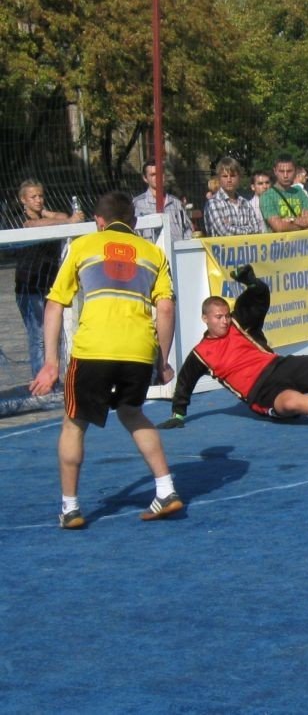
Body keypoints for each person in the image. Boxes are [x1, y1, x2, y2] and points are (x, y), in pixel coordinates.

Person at [29, 191, 182, 529]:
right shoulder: (153, 252)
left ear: (99, 222)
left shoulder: (83, 246)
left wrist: (51, 361)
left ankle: (70, 508)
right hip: (138, 350)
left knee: (74, 423)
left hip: (94, 349)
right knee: (132, 413)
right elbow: (167, 308)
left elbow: (55, 304)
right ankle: (166, 488)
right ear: (135, 222)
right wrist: (163, 359)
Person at [159, 265, 308, 428]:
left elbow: (261, 297)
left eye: (225, 315)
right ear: (205, 319)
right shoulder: (201, 354)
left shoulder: (240, 323)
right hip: (261, 392)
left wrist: (252, 282)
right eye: (218, 317)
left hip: (280, 366)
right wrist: (178, 414)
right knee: (292, 403)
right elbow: (186, 381)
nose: (224, 320)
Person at [13, 179, 85, 378]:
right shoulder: (19, 219)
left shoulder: (49, 216)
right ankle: (41, 378)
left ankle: (56, 374)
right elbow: (33, 225)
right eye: (33, 197)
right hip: (29, 285)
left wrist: (47, 212)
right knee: (38, 335)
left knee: (56, 334)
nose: (38, 200)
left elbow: (61, 217)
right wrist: (68, 221)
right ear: (23, 200)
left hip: (51, 284)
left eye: (41, 196)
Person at [133, 159, 193, 243]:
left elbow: (187, 229)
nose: (158, 177)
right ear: (145, 178)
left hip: (176, 252)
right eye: (153, 174)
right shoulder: (138, 204)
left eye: (160, 173)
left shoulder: (176, 203)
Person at [203, 158, 262, 237]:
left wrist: (232, 227)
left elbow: (257, 230)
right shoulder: (213, 203)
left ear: (239, 178)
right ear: (219, 179)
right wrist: (248, 229)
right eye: (225, 176)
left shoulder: (246, 204)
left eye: (233, 176)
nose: (229, 180)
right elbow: (224, 232)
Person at [261, 154, 308, 233]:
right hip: (280, 243)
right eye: (281, 171)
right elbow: (279, 227)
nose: (285, 175)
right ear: (275, 171)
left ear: (295, 171)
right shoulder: (267, 196)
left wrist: (292, 220)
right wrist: (304, 223)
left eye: (289, 171)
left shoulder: (299, 191)